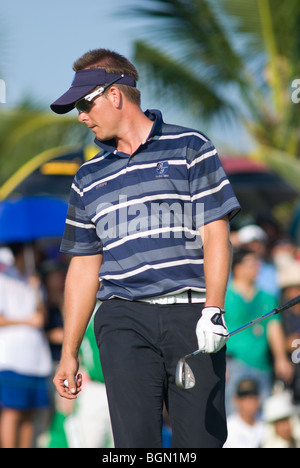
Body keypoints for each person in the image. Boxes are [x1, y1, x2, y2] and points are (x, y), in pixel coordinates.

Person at [50, 48, 241, 448]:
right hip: (123, 318)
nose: (81, 116)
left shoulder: (191, 146)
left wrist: (214, 309)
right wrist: (69, 351)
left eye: (85, 105)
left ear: (114, 95)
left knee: (201, 443)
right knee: (135, 445)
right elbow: (84, 267)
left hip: (192, 316)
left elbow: (216, 233)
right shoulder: (87, 177)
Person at [225, 248, 293, 415]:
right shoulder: (225, 296)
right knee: (233, 413)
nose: (257, 267)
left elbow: (273, 327)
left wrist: (280, 358)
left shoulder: (267, 297)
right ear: (237, 268)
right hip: (234, 364)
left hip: (262, 364)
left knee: (263, 413)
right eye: (251, 263)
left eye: (257, 263)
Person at [0, 243, 52, 448]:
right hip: (12, 357)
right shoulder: (3, 278)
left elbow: (42, 317)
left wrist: (36, 290)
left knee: (30, 412)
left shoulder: (34, 280)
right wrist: (27, 321)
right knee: (13, 411)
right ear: (23, 252)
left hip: (36, 358)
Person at [224, 378, 265, 448]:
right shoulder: (227, 428)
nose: (249, 402)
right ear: (236, 400)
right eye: (245, 398)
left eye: (252, 397)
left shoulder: (266, 424)